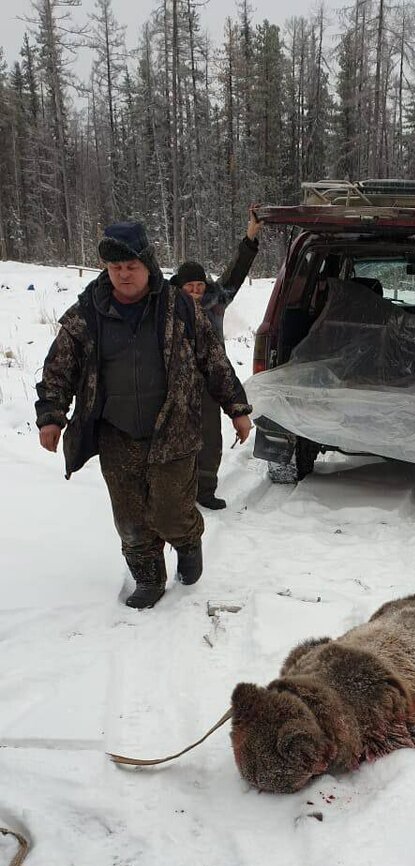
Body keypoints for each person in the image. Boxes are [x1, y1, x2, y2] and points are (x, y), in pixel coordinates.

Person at [35, 220, 253, 609]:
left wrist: (237, 408)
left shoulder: (179, 307)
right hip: (116, 430)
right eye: (114, 267)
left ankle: (187, 540)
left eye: (130, 266)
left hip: (173, 428)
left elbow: (214, 361)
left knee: (170, 511)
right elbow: (59, 366)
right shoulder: (88, 312)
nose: (122, 274)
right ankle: (149, 579)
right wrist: (51, 413)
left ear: (148, 264)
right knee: (130, 518)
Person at [171, 205, 263, 509]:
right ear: (179, 287)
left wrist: (251, 236)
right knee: (176, 440)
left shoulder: (215, 303)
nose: (196, 292)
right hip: (175, 385)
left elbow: (237, 272)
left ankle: (205, 490)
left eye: (199, 286)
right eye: (190, 287)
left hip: (211, 383)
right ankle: (177, 492)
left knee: (209, 440)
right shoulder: (166, 309)